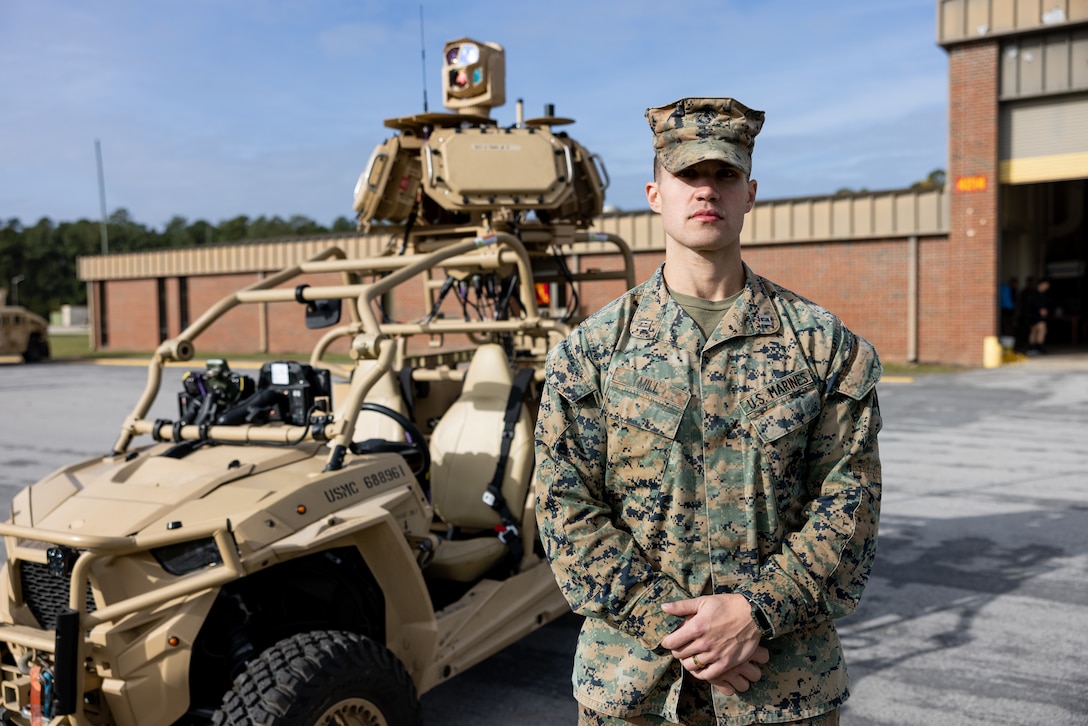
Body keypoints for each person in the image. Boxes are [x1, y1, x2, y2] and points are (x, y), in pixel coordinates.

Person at [534, 97, 883, 726]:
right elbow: (566, 511)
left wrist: (755, 611)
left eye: (724, 175)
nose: (706, 191)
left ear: (750, 193)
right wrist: (681, 631)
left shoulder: (822, 346)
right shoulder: (591, 353)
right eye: (687, 175)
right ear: (654, 193)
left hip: (780, 689)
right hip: (633, 690)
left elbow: (848, 504)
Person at [1027, 278, 1051, 354]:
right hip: (1035, 315)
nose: (1047, 287)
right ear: (1041, 284)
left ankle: (1032, 348)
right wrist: (1040, 310)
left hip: (1033, 315)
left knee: (1034, 331)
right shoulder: (1035, 294)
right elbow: (1033, 304)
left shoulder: (1041, 294)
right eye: (1046, 285)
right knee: (1042, 329)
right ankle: (1039, 347)